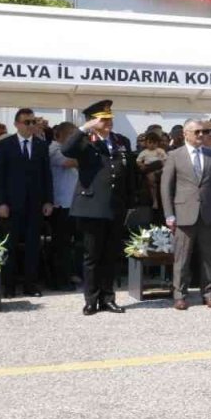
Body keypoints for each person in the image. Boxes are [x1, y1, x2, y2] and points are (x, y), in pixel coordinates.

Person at [63, 101, 137, 315]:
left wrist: (130, 203)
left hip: (115, 205)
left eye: (109, 119)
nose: (108, 123)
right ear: (93, 121)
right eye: (103, 119)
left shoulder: (121, 141)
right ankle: (91, 299)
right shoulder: (85, 141)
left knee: (110, 255)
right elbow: (67, 150)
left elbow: (129, 174)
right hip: (91, 206)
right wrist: (84, 129)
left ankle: (108, 298)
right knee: (92, 256)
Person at [161, 119, 211, 310]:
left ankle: (208, 293)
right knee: (182, 258)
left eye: (204, 132)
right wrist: (169, 214)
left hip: (208, 213)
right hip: (184, 213)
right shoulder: (174, 155)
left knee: (208, 257)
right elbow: (166, 187)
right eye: (197, 132)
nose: (202, 135)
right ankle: (180, 295)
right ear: (186, 134)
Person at [0, 108, 53, 297]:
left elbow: (47, 175)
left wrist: (49, 200)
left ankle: (30, 285)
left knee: (32, 247)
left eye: (33, 122)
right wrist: (1, 202)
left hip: (34, 204)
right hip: (11, 205)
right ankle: (9, 286)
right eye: (27, 122)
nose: (31, 126)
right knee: (9, 246)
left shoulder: (42, 145)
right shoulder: (6, 145)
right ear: (17, 124)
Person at [47, 121, 80, 290]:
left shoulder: (68, 150)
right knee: (61, 245)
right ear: (59, 135)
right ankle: (60, 280)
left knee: (70, 244)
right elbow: (69, 163)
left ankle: (70, 274)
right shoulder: (54, 149)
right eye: (71, 135)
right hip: (60, 204)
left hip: (71, 204)